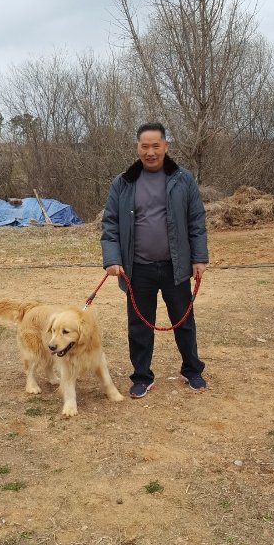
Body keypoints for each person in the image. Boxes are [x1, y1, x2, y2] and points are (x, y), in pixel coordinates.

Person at [101, 122, 208, 398]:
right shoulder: (123, 182)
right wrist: (112, 259)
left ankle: (192, 370)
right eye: (144, 146)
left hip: (176, 267)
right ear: (137, 148)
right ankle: (141, 376)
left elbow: (196, 221)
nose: (150, 152)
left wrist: (199, 257)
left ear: (166, 146)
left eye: (156, 146)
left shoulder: (183, 179)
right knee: (139, 326)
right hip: (137, 269)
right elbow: (110, 224)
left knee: (184, 321)